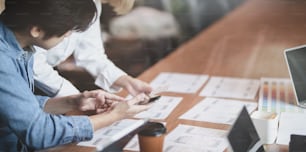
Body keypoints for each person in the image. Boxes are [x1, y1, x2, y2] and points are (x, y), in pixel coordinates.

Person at [0, 0, 151, 151]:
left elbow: (20, 106)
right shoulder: (5, 59)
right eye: (67, 31)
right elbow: (39, 132)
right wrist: (112, 116)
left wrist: (72, 101)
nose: (71, 35)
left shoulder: (22, 45)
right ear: (36, 30)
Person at [33, 0, 152, 97]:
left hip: (48, 76)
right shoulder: (49, 6)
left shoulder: (94, 4)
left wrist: (124, 80)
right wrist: (75, 97)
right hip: (29, 75)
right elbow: (34, 63)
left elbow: (91, 54)